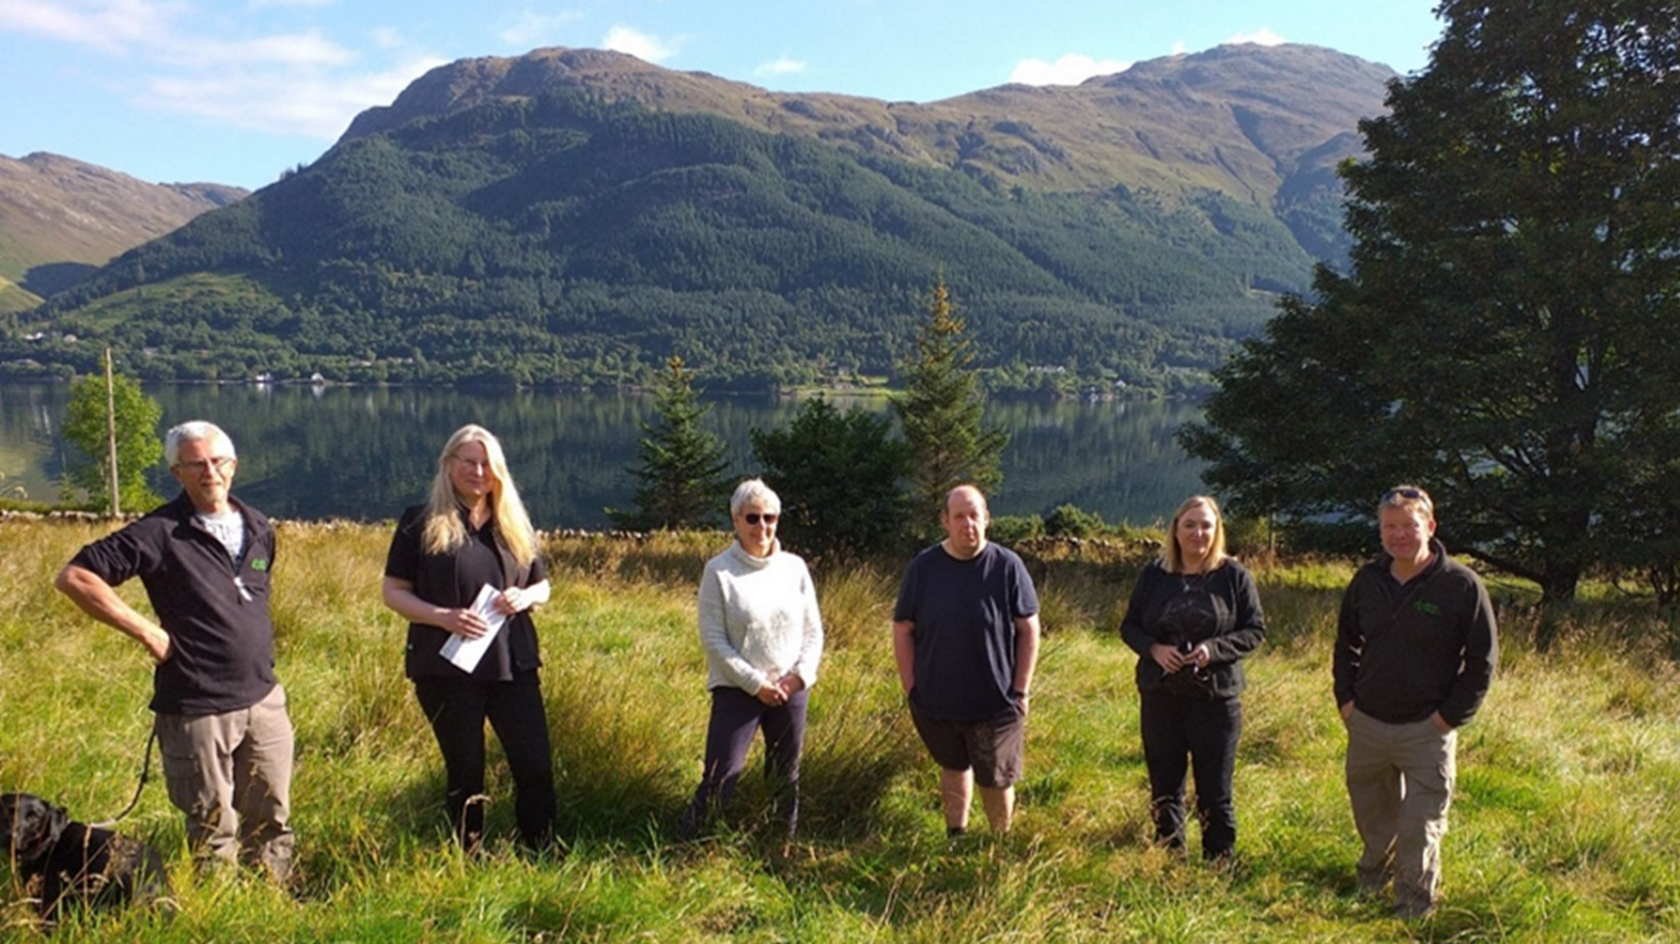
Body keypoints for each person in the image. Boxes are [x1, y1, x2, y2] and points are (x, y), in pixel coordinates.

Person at [55, 421, 295, 882]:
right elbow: (76, 577)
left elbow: (250, 594)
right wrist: (146, 631)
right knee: (212, 825)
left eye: (218, 461)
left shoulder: (259, 527)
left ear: (234, 466)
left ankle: (273, 900)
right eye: (196, 464)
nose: (210, 472)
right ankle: (218, 913)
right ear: (176, 472)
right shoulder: (159, 532)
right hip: (197, 704)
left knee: (272, 817)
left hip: (264, 697)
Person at [381, 424, 557, 853]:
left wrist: (526, 596)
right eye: (469, 462)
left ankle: (540, 849)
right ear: (448, 465)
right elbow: (394, 592)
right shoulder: (420, 522)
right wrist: (444, 618)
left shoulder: (513, 523)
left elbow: (543, 586)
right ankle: (468, 857)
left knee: (534, 766)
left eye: (487, 464)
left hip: (513, 664)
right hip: (446, 670)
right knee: (466, 771)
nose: (479, 471)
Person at [1334, 485, 1497, 919]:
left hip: (1427, 729)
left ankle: (1413, 906)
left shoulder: (1461, 585)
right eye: (1390, 527)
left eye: (1409, 525)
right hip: (1367, 722)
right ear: (1381, 531)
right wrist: (1347, 702)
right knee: (1373, 815)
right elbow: (1346, 644)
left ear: (1430, 526)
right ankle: (1372, 881)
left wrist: (1446, 719)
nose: (1399, 535)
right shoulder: (1367, 580)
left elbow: (1482, 662)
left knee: (1420, 825)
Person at [1118, 495, 1264, 861]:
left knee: (1215, 787)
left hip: (1216, 699)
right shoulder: (1155, 574)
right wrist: (1154, 650)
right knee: (1165, 783)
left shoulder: (1233, 576)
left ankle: (1219, 860)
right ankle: (1169, 857)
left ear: (1217, 531)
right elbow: (1129, 626)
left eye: (1206, 526)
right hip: (1161, 696)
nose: (1198, 533)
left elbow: (1255, 630)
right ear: (1176, 530)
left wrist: (1213, 650)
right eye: (1190, 525)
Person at [679, 479, 824, 841]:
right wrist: (755, 684)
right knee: (721, 775)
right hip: (737, 691)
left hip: (790, 691)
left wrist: (798, 678)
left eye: (770, 518)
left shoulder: (795, 568)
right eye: (753, 518)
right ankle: (691, 848)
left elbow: (813, 632)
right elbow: (714, 640)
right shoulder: (719, 571)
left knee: (785, 776)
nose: (762, 527)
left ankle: (780, 851)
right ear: (736, 520)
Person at [892, 484, 1041, 836]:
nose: (967, 524)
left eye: (975, 515)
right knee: (952, 765)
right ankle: (955, 836)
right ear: (945, 520)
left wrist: (1020, 690)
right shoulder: (923, 568)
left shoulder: (1007, 566)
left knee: (997, 777)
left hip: (997, 699)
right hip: (936, 699)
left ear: (987, 519)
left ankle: (998, 843)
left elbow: (1029, 628)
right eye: (959, 516)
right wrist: (911, 687)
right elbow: (903, 628)